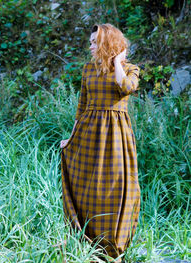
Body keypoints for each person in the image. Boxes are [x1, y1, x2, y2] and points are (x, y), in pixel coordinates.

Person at [60, 23, 141, 262]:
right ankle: (87, 239)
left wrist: (117, 62)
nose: (91, 45)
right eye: (91, 41)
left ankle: (114, 244)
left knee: (117, 188)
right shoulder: (87, 70)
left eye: (96, 41)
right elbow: (81, 108)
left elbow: (126, 87)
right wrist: (71, 138)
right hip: (88, 133)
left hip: (116, 137)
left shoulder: (130, 69)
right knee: (87, 186)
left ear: (108, 44)